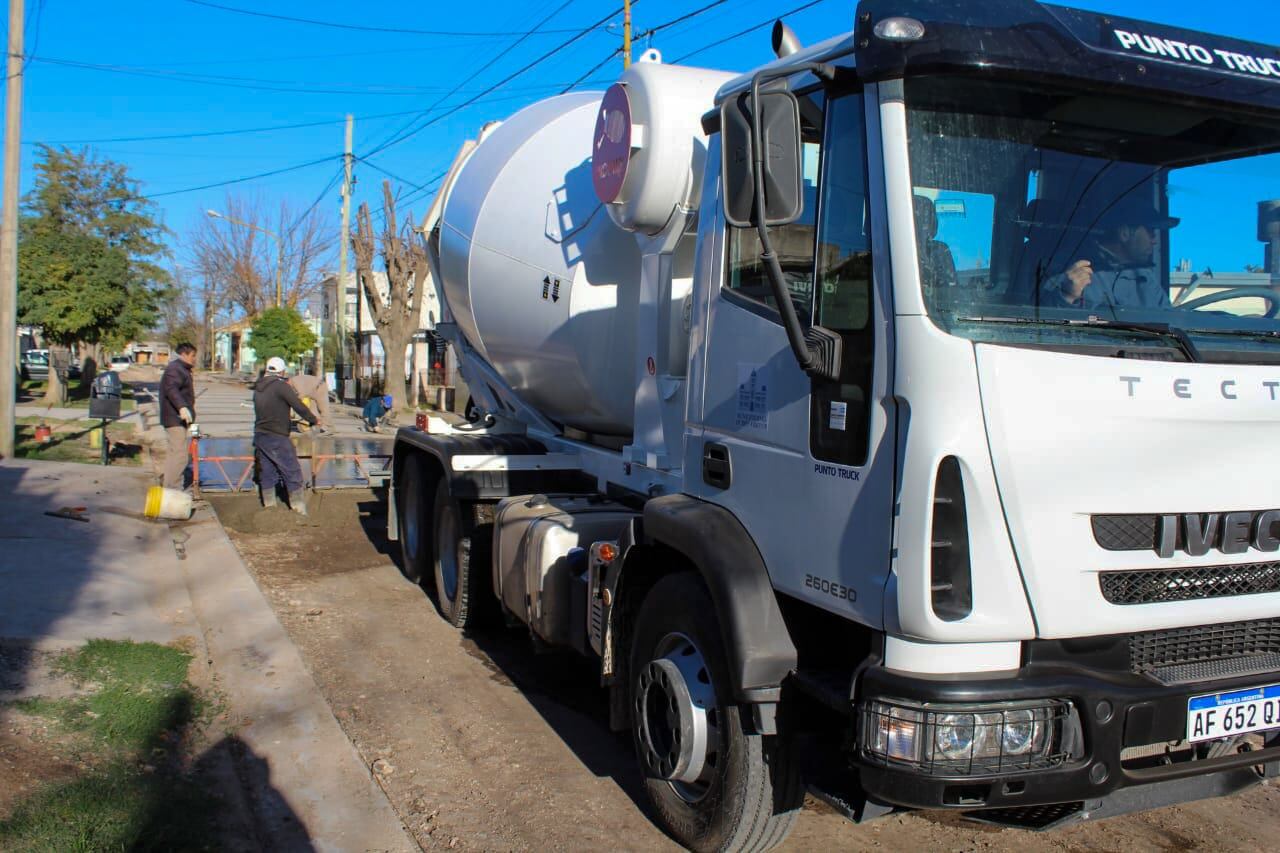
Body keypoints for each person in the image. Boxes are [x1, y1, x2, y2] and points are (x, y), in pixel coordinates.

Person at [1040, 199, 1178, 310]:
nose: (1154, 240)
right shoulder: (1070, 268)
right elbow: (1040, 324)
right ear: (1124, 233)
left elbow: (1169, 322)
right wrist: (1066, 296)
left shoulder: (1146, 278)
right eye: (1150, 231)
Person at [253, 356, 317, 514]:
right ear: (282, 371)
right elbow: (298, 405)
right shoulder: (281, 387)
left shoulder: (258, 387)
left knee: (267, 472)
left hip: (260, 436)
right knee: (292, 471)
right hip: (277, 435)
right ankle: (298, 509)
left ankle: (269, 509)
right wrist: (313, 419)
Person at [160, 342, 197, 490]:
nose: (194, 359)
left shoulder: (181, 369)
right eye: (193, 356)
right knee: (180, 456)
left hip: (176, 418)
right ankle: (174, 489)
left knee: (174, 454)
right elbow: (171, 389)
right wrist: (182, 407)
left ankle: (168, 487)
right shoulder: (175, 369)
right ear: (184, 354)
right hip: (174, 418)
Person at [289, 368, 330, 432]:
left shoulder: (295, 382)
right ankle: (317, 426)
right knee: (313, 411)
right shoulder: (293, 382)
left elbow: (301, 394)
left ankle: (328, 428)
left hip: (320, 387)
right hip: (312, 391)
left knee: (323, 409)